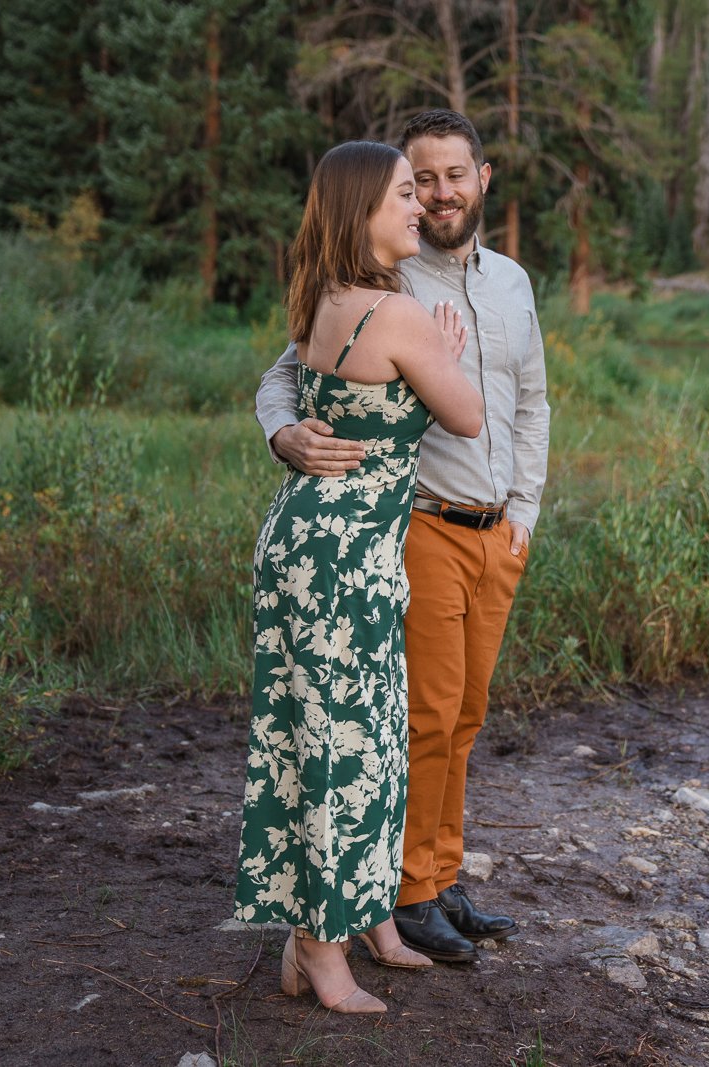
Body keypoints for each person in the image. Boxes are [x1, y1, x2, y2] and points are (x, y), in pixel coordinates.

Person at [256, 109, 550, 963]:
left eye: (454, 175)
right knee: (421, 715)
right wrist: (284, 432)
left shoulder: (512, 283)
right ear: (403, 188)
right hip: (418, 520)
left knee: (464, 716)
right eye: (420, 179)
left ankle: (441, 874)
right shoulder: (386, 277)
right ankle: (408, 890)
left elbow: (531, 401)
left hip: (498, 530)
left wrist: (525, 510)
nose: (438, 193)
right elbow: (285, 369)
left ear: (482, 178)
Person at [234, 140, 483, 1014]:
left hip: (317, 543)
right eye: (402, 195)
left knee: (354, 737)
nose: (417, 206)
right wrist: (444, 349)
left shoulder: (325, 296)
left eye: (421, 192)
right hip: (343, 557)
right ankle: (315, 950)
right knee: (340, 750)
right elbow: (467, 415)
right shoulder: (403, 314)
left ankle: (361, 913)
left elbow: (305, 372)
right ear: (360, 213)